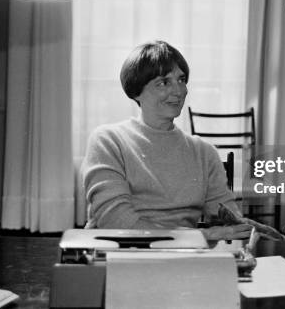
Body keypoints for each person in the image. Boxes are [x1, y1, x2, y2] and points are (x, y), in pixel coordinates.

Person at [82, 41, 252, 240]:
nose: (179, 91)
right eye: (163, 82)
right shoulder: (108, 140)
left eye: (181, 80)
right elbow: (116, 222)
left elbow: (229, 221)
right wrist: (202, 236)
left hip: (185, 257)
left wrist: (247, 229)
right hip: (120, 252)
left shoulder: (203, 151)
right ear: (136, 91)